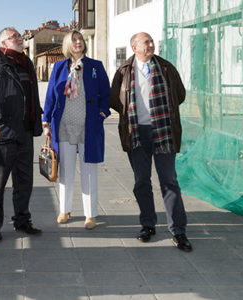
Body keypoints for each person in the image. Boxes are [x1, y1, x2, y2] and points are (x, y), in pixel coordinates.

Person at [108, 32, 192, 252]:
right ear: (134, 47)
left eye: (152, 42)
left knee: (169, 181)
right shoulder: (124, 71)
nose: (151, 45)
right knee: (141, 182)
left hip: (164, 131)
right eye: (146, 42)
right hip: (136, 133)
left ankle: (179, 230)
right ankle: (148, 224)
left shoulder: (166, 68)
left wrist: (161, 115)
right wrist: (134, 119)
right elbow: (115, 100)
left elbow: (179, 95)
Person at [42, 30, 110, 229]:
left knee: (89, 170)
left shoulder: (95, 66)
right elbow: (50, 97)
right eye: (74, 40)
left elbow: (106, 94)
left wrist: (102, 114)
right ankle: (65, 209)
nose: (78, 42)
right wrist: (46, 122)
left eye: (80, 39)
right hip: (63, 126)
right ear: (67, 44)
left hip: (88, 126)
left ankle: (90, 214)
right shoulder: (59, 67)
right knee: (66, 170)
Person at [0, 27, 43, 242]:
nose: (19, 39)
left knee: (24, 181)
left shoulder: (26, 63)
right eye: (14, 37)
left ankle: (22, 220)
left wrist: (39, 122)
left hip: (25, 132)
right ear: (3, 44)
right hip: (4, 135)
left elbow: (33, 95)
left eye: (19, 36)